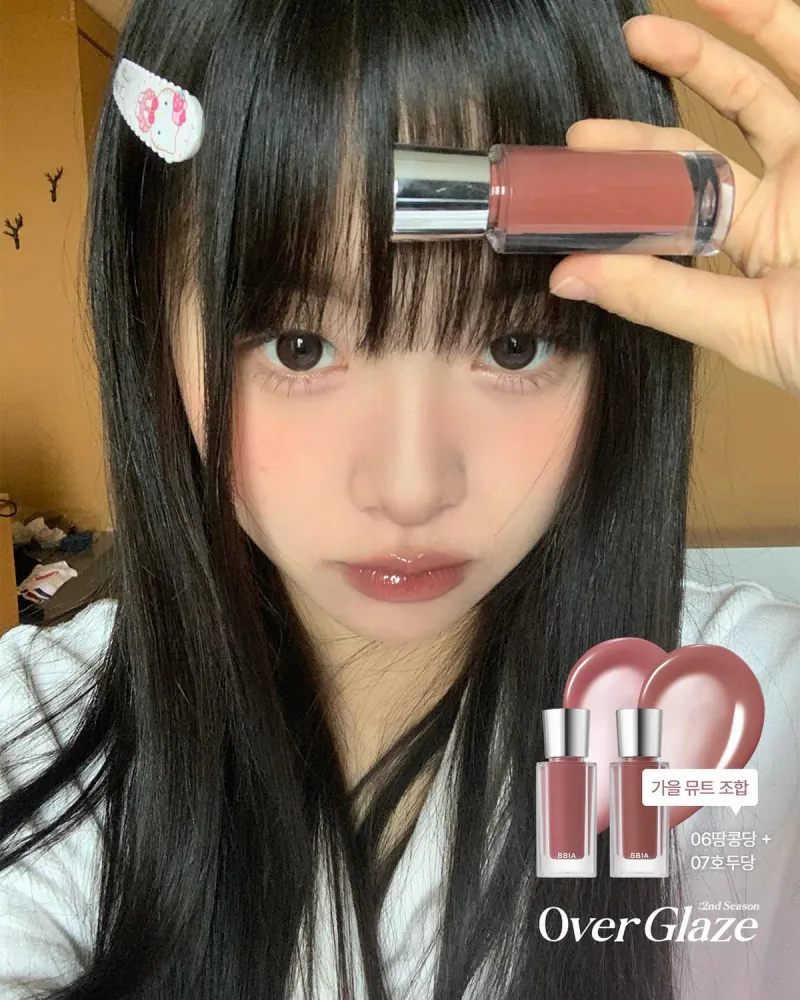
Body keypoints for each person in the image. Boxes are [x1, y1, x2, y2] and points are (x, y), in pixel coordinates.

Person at [1, 0, 798, 998]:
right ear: (150, 318)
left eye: (515, 345)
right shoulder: (35, 733)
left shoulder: (741, 712)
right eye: (299, 346)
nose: (411, 487)